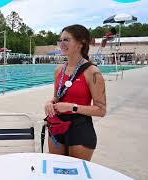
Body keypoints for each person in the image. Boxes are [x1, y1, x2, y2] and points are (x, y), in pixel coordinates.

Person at [44, 24, 106, 161]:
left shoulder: (92, 72)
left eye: (66, 40)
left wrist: (72, 107)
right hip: (57, 126)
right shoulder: (58, 70)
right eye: (60, 40)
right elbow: (57, 97)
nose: (62, 43)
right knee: (55, 171)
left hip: (80, 129)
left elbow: (101, 110)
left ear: (80, 43)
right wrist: (50, 102)